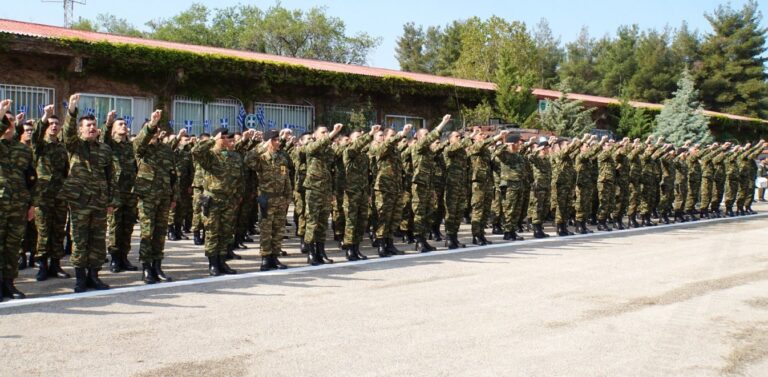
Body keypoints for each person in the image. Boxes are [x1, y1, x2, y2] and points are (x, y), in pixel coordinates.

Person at [61, 94, 113, 293]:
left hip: (99, 201)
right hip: (80, 201)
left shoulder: (104, 149)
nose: (91, 128)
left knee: (98, 240)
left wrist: (110, 200)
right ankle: (80, 278)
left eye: (93, 125)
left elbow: (111, 176)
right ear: (80, 129)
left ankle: (94, 276)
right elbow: (67, 134)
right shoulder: (74, 146)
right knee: (80, 239)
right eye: (87, 125)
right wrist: (72, 110)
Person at [133, 110, 179, 284]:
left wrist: (174, 197)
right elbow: (140, 142)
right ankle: (146, 268)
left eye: (155, 130)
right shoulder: (141, 148)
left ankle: (157, 266)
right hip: (147, 197)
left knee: (160, 233)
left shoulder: (166, 150)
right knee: (147, 232)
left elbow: (173, 174)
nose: (154, 133)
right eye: (150, 130)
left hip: (164, 196)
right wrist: (151, 125)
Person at [192, 127, 243, 276]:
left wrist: (238, 196)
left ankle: (222, 261)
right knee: (212, 233)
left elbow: (240, 179)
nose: (228, 140)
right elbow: (195, 152)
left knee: (226, 233)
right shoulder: (210, 156)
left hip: (229, 200)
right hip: (213, 199)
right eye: (225, 137)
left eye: (229, 138)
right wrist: (212, 141)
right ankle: (213, 263)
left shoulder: (235, 156)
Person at [0, 100, 35, 299]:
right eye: (5, 120)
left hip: (18, 205)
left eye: (11, 120)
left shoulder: (23, 150)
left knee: (13, 246)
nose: (8, 124)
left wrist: (32, 204)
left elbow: (31, 179)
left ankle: (9, 283)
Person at [32, 105, 71, 281]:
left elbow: (66, 171)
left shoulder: (62, 148)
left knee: (58, 231)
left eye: (56, 123)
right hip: (43, 196)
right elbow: (35, 136)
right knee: (43, 231)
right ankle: (42, 265)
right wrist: (44, 116)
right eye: (50, 123)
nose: (54, 126)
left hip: (59, 196)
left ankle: (56, 264)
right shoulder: (40, 145)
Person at [244, 129, 292, 271]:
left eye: (278, 139)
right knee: (266, 230)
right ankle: (265, 258)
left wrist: (288, 197)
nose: (278, 142)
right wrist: (261, 147)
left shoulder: (282, 158)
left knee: (278, 230)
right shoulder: (262, 158)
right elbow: (248, 160)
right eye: (275, 140)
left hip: (280, 198)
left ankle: (275, 257)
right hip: (267, 198)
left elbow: (286, 178)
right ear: (268, 142)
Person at [102, 110, 139, 274]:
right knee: (115, 226)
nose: (124, 126)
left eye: (125, 124)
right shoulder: (110, 145)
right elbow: (103, 138)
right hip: (116, 193)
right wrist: (109, 123)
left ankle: (124, 257)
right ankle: (115, 258)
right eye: (120, 124)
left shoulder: (131, 146)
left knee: (128, 226)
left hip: (130, 192)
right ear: (114, 130)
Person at [302, 123, 344, 265]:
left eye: (327, 132)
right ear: (315, 135)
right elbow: (314, 147)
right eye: (323, 132)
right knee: (312, 223)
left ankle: (321, 251)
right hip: (313, 190)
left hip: (326, 190)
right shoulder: (310, 145)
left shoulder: (328, 150)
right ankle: (311, 253)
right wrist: (332, 133)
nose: (326, 134)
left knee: (322, 223)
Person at [410, 114, 451, 253]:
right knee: (419, 214)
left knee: (429, 214)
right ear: (420, 137)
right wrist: (443, 123)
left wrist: (433, 189)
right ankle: (419, 241)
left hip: (428, 186)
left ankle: (424, 239)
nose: (429, 136)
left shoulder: (429, 152)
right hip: (419, 186)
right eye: (426, 134)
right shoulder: (418, 147)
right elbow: (431, 137)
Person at [370, 124, 411, 256]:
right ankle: (381, 244)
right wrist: (401, 134)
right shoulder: (378, 147)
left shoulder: (395, 150)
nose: (395, 138)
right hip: (384, 189)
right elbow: (382, 149)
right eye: (391, 136)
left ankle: (390, 243)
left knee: (394, 217)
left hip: (396, 188)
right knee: (384, 217)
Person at [341, 125, 377, 260]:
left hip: (362, 193)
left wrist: (368, 194)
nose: (360, 141)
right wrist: (370, 134)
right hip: (351, 193)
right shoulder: (348, 152)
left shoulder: (364, 157)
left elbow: (366, 177)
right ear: (350, 140)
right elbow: (356, 147)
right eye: (357, 138)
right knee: (351, 221)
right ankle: (349, 248)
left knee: (362, 221)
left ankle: (356, 247)